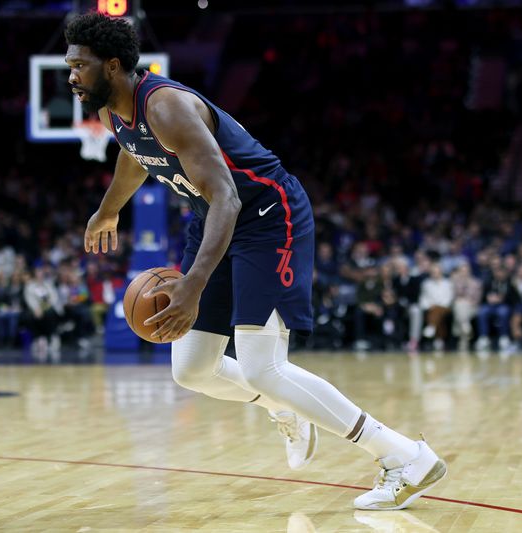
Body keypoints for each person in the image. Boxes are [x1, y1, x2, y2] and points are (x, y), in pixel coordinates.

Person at [70, 12, 445, 510]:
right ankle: (286, 408)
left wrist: (194, 284)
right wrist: (107, 210)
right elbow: (134, 154)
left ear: (113, 66)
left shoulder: (166, 107)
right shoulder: (112, 112)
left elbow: (228, 196)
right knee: (192, 369)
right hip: (214, 219)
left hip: (266, 215)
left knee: (263, 366)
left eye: (80, 65)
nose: (71, 75)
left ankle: (404, 456)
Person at [418, 262, 453, 352]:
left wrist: (437, 305)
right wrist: (429, 305)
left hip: (445, 307)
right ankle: (439, 340)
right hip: (431, 308)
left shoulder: (448, 283)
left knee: (437, 312)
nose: (435, 274)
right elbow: (423, 298)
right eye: (433, 272)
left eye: (437, 272)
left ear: (441, 272)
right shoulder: (426, 284)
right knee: (436, 314)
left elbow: (448, 298)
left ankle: (431, 327)